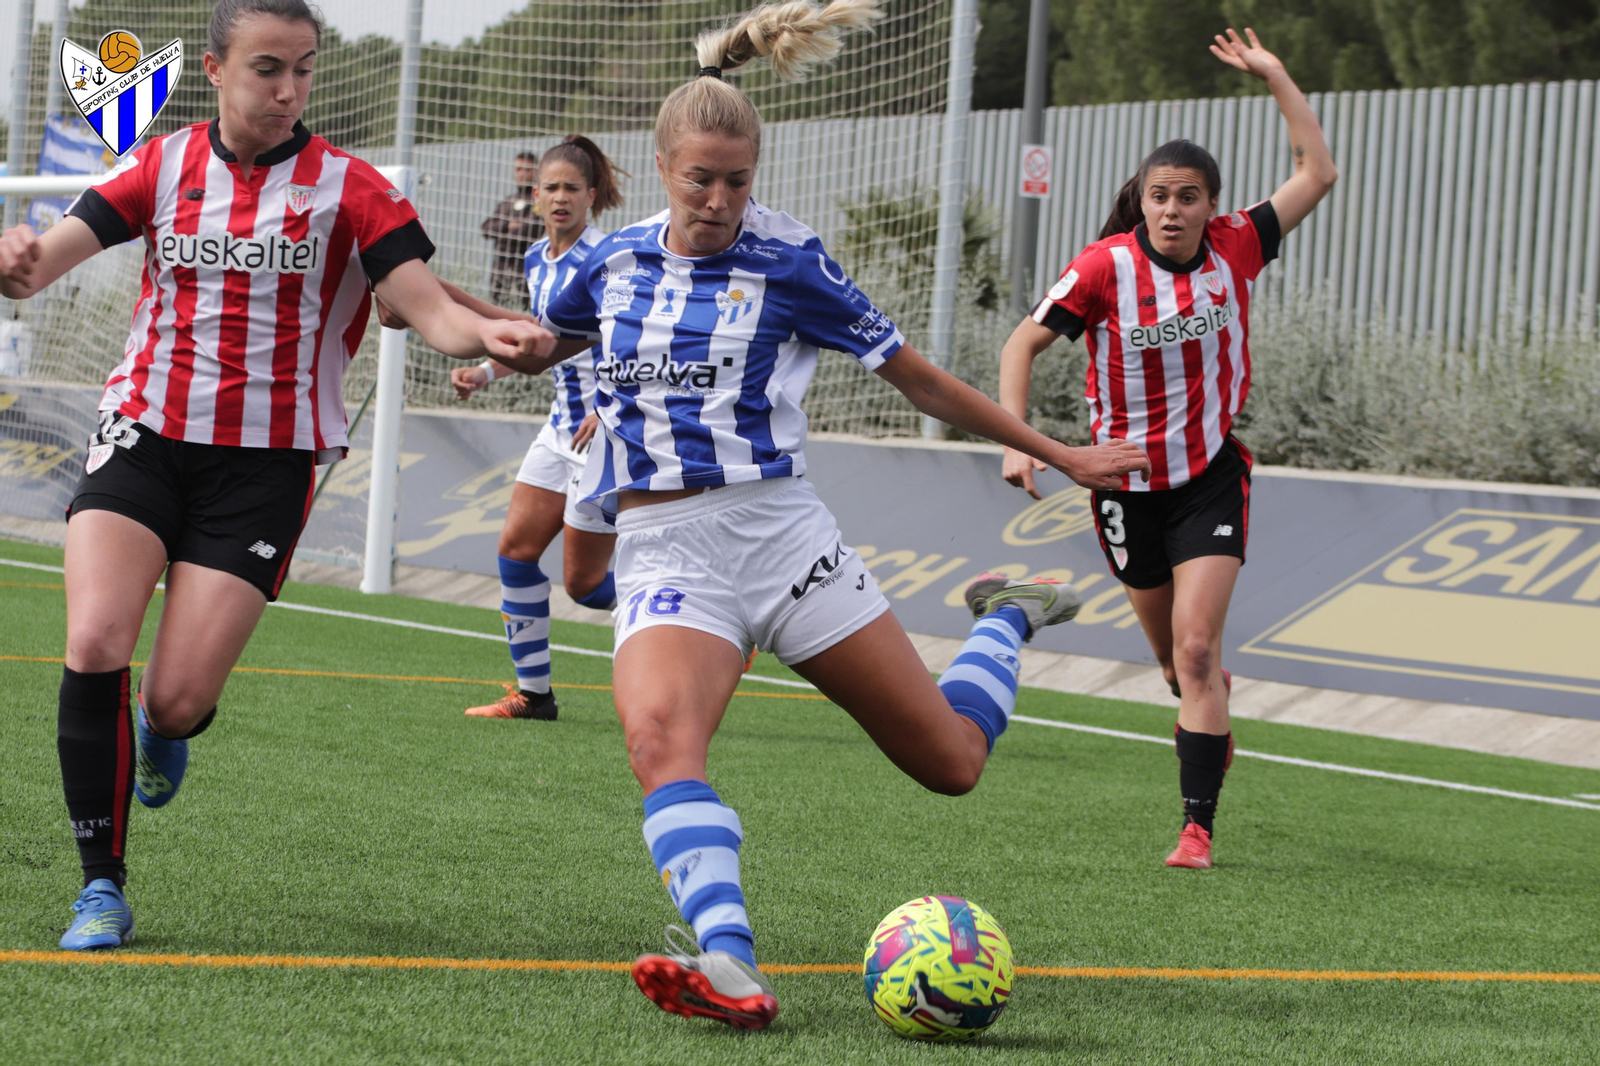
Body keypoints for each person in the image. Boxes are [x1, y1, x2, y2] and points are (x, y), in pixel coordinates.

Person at [496, 0, 1149, 1030]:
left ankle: (1006, 617)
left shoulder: (789, 262)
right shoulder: (602, 264)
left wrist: (1055, 451)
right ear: (662, 166)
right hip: (665, 541)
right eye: (699, 179)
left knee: (951, 764)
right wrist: (487, 337)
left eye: (737, 181)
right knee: (658, 736)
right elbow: (554, 338)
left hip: (782, 536)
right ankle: (733, 965)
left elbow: (921, 382)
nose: (717, 200)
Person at [0, 0, 551, 952]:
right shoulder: (159, 165)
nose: (288, 89)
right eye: (266, 68)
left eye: (302, 69)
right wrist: (12, 260)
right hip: (144, 434)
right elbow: (41, 264)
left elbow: (427, 308)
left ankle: (168, 727)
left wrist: (492, 336)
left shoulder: (353, 189)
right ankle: (102, 887)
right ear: (214, 71)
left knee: (175, 701)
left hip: (266, 468)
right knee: (93, 639)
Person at [996, 28, 1337, 871]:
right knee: (1172, 666)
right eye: (1160, 196)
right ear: (1141, 201)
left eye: (1188, 197)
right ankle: (1203, 714)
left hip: (1210, 481)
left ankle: (1196, 829)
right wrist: (1024, 442)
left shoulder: (1238, 246)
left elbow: (1317, 171)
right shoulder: (1103, 267)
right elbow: (1019, 347)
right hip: (1124, 486)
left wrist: (1276, 75)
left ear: (1210, 206)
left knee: (1197, 649)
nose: (1173, 210)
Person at [450, 135, 626, 720]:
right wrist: (485, 371)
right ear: (533, 194)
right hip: (557, 431)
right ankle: (534, 695)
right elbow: (538, 341)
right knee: (516, 552)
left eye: (571, 189)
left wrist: (607, 404)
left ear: (592, 196)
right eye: (549, 188)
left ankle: (706, 610)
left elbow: (635, 342)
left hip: (605, 435)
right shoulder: (533, 260)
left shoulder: (610, 259)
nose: (559, 198)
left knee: (583, 585)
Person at [480, 151, 545, 309]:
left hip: (525, 267)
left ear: (536, 172)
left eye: (527, 169)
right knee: (497, 308)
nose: (522, 174)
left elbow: (531, 231)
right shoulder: (508, 202)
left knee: (526, 310)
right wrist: (508, 225)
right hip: (501, 267)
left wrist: (502, 230)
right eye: (518, 169)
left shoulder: (539, 202)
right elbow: (486, 228)